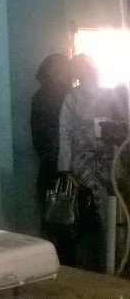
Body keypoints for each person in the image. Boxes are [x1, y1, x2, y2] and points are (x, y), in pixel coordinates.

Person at [58, 54, 122, 272]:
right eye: (80, 69)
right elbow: (65, 132)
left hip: (111, 157)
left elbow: (122, 124)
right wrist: (64, 168)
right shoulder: (72, 98)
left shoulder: (109, 94)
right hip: (83, 158)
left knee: (116, 203)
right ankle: (103, 258)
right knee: (97, 201)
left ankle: (115, 253)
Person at [30, 54, 73, 263]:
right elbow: (41, 139)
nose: (60, 75)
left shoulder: (72, 96)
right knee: (56, 228)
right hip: (53, 172)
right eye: (56, 70)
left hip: (72, 170)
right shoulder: (41, 99)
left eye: (63, 70)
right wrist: (61, 165)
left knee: (72, 230)